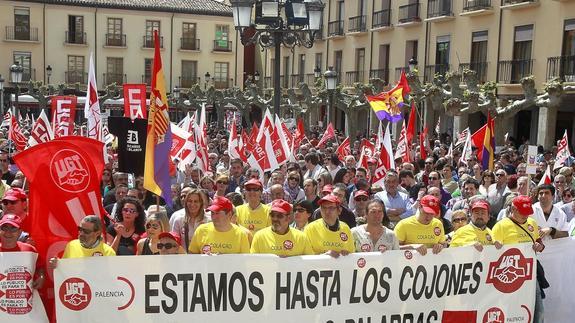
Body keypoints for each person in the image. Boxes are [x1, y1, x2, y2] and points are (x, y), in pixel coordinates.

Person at [492, 195, 546, 323]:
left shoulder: (532, 223)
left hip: (530, 274)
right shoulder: (501, 226)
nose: (525, 216)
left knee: (539, 309)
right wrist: (496, 246)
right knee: (511, 311)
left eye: (528, 213)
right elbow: (493, 252)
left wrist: (539, 246)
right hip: (509, 276)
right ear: (513, 209)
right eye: (522, 212)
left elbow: (539, 242)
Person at [0, 214, 45, 289]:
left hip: (23, 298)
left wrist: (41, 277)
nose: (8, 232)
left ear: (20, 232)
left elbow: (40, 267)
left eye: (13, 228)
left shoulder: (30, 250)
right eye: (4, 228)